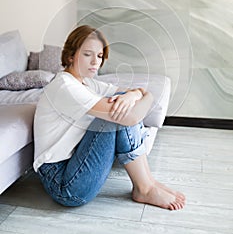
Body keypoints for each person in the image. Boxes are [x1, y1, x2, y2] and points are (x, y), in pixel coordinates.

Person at [33, 25, 185, 211]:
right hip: (63, 183)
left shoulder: (87, 83)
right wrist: (135, 99)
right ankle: (144, 188)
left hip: (76, 164)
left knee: (120, 101)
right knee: (113, 115)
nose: (95, 62)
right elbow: (130, 117)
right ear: (71, 55)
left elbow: (146, 95)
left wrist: (133, 95)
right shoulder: (64, 86)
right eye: (88, 54)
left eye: (99, 56)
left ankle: (148, 183)